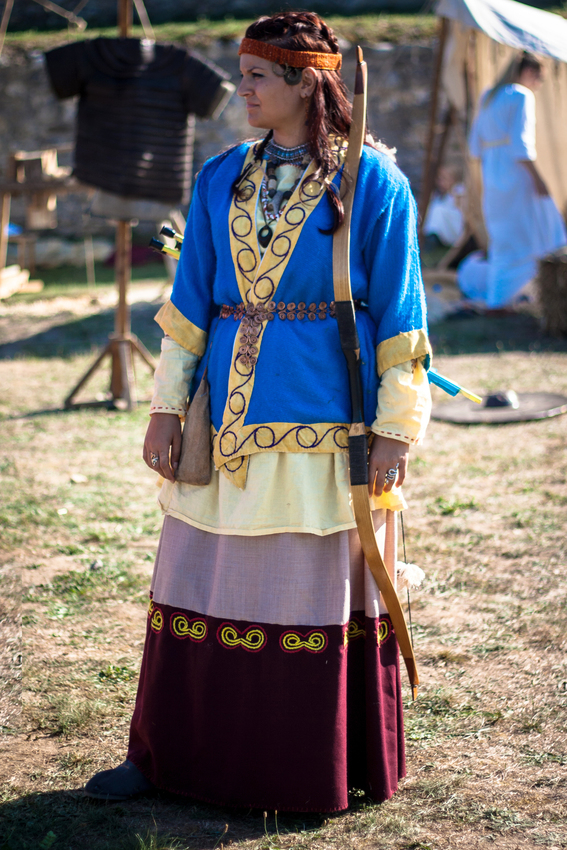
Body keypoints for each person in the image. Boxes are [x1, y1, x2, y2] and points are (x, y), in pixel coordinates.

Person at [85, 11, 432, 812]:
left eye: (256, 75)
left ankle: (298, 769)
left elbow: (401, 315)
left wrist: (393, 431)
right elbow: (189, 305)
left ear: (306, 83)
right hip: (222, 424)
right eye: (241, 73)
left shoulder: (372, 181)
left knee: (302, 592)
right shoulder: (221, 177)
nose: (240, 87)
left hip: (325, 425)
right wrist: (166, 409)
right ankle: (170, 753)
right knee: (196, 581)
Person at [458, 52, 567, 309]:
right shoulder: (521, 95)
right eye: (539, 78)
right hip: (517, 178)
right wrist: (539, 181)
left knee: (505, 239)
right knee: (541, 232)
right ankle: (521, 296)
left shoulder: (488, 95)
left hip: (493, 180)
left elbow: (474, 147)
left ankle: (502, 297)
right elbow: (521, 146)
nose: (538, 85)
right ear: (528, 73)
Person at [422, 165, 465, 250]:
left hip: (456, 227)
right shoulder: (441, 195)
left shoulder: (459, 191)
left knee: (438, 210)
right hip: (446, 225)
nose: (440, 182)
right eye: (439, 179)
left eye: (444, 179)